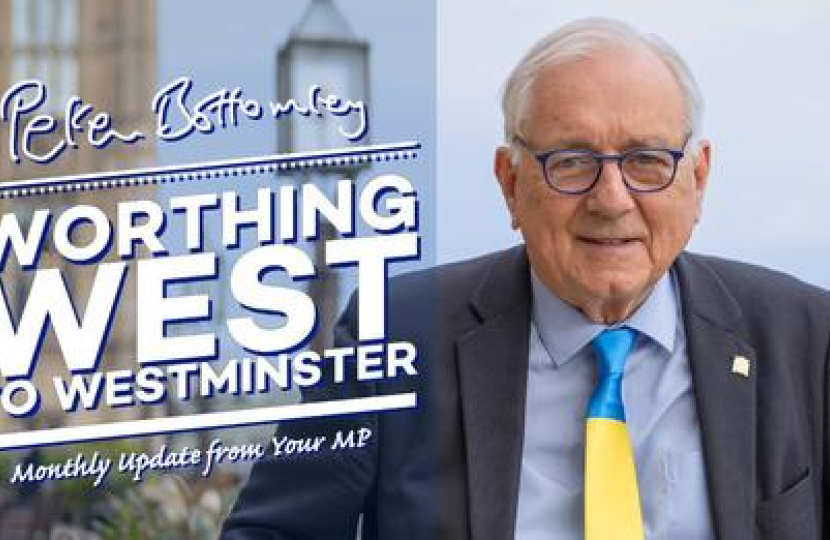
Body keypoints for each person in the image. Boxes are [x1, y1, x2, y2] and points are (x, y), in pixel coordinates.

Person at [221, 17, 830, 539]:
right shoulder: (396, 336)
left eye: (647, 160)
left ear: (697, 179)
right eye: (571, 162)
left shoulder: (805, 339)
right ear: (510, 183)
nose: (612, 199)